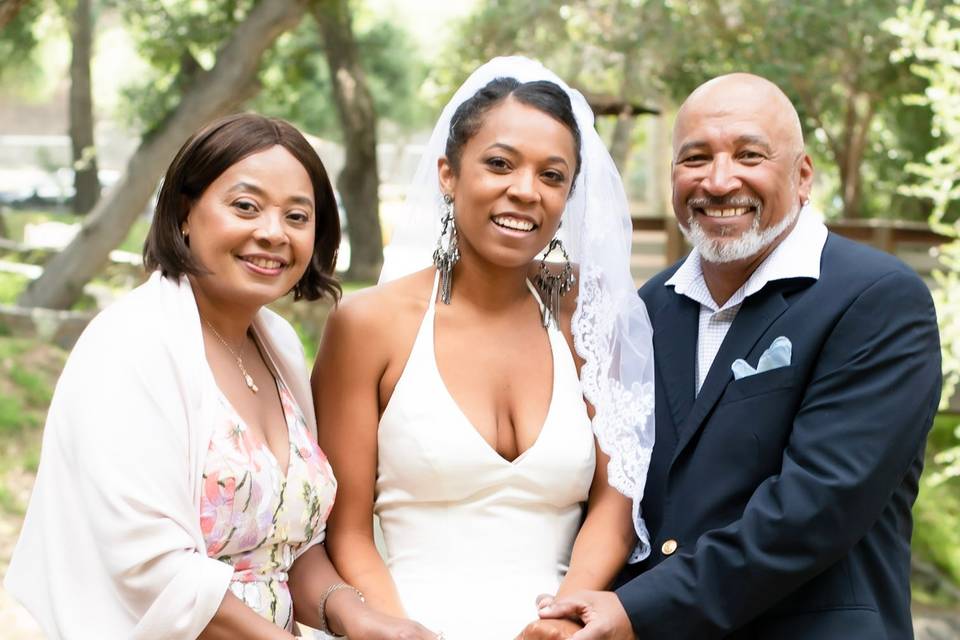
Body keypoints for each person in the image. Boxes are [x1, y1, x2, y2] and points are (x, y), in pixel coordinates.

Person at [536, 73, 943, 639]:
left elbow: (816, 508)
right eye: (695, 158)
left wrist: (640, 611)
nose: (719, 180)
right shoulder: (647, 310)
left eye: (749, 155)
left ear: (803, 176)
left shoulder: (876, 298)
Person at [5, 113, 436, 639]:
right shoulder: (130, 346)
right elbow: (151, 568)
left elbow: (289, 546)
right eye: (246, 206)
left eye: (297, 216)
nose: (273, 233)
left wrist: (360, 618)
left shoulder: (279, 348)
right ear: (185, 212)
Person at [312, 57, 656, 640]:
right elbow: (343, 533)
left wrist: (562, 621)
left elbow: (615, 509)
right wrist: (397, 630)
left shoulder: (592, 318)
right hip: (406, 626)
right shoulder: (368, 324)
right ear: (449, 174)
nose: (524, 191)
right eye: (499, 164)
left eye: (552, 176)